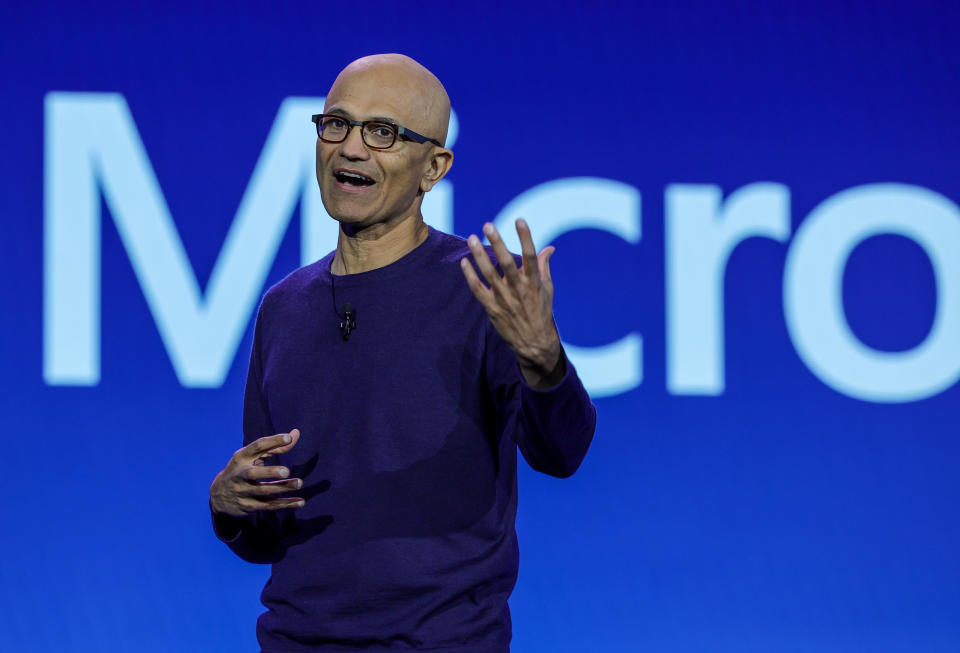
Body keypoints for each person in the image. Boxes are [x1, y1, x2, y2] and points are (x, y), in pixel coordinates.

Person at [209, 53, 596, 653]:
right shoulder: (282, 309)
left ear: (433, 166)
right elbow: (269, 530)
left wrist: (544, 361)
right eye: (335, 124)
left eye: (382, 133)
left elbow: (560, 452)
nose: (350, 148)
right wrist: (230, 506)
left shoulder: (484, 291)